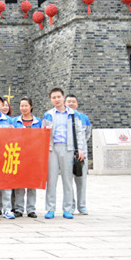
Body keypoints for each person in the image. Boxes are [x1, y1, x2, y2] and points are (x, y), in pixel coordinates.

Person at [42, 88, 87, 219]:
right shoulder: (48, 115)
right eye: (53, 97)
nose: (56, 99)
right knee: (51, 180)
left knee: (67, 180)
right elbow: (43, 133)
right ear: (50, 100)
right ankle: (50, 209)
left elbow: (79, 132)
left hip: (68, 148)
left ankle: (67, 209)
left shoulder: (73, 114)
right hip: (52, 149)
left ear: (63, 97)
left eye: (58, 97)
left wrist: (80, 149)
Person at [13, 97, 42, 218]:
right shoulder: (14, 121)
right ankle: (18, 208)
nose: (24, 108)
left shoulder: (38, 122)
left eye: (26, 105)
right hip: (19, 156)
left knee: (32, 184)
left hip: (33, 157)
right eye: (21, 106)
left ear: (31, 107)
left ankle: (31, 209)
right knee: (19, 184)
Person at [65, 94, 91, 215]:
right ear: (65, 104)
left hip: (81, 154)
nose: (71, 103)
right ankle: (70, 206)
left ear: (77, 104)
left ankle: (82, 206)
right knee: (68, 182)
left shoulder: (83, 117)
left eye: (73, 102)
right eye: (68, 102)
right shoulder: (63, 117)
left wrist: (80, 148)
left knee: (81, 181)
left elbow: (87, 134)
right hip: (67, 153)